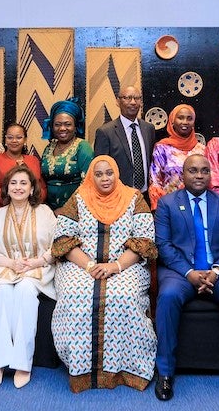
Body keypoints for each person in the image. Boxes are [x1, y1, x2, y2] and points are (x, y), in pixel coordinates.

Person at [153, 154, 219, 403]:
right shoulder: (167, 204)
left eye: (204, 171)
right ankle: (165, 372)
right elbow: (163, 245)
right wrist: (189, 273)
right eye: (193, 171)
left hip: (217, 270)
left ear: (211, 174)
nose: (199, 175)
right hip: (180, 271)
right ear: (183, 174)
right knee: (166, 297)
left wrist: (217, 271)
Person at [50, 156, 157, 393]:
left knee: (124, 296)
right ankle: (81, 369)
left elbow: (144, 240)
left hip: (125, 266)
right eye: (99, 174)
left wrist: (115, 266)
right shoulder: (79, 198)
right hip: (81, 265)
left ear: (117, 173)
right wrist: (89, 266)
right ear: (91, 176)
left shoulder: (134, 198)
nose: (105, 178)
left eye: (109, 173)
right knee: (76, 296)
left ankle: (128, 368)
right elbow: (63, 239)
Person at [0, 164, 57, 389]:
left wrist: (36, 262)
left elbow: (56, 247)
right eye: (13, 183)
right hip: (5, 267)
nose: (18, 187)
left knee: (24, 290)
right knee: (2, 291)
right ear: (7, 188)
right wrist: (12, 263)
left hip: (36, 269)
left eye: (24, 183)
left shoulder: (45, 213)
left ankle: (23, 363)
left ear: (32, 188)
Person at [92, 85, 154, 194]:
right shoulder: (105, 132)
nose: (133, 102)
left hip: (145, 195)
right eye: (128, 98)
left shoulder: (148, 128)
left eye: (137, 98)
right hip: (118, 195)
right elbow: (100, 169)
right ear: (117, 101)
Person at [40, 100, 94, 211]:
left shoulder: (83, 147)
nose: (62, 128)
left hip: (76, 211)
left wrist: (67, 210)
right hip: (48, 210)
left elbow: (88, 184)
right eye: (57, 124)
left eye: (68, 124)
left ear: (75, 127)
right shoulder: (49, 148)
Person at [148, 104, 204, 205]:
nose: (185, 122)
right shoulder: (162, 148)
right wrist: (159, 208)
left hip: (197, 205)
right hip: (170, 206)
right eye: (180, 118)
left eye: (189, 118)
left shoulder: (201, 149)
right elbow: (155, 180)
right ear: (172, 121)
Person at [0, 122, 46, 210]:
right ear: (5, 140)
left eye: (19, 137)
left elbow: (41, 187)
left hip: (31, 209)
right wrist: (15, 202)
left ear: (25, 140)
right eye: (10, 137)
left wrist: (32, 202)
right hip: (2, 210)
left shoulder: (33, 160)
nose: (14, 141)